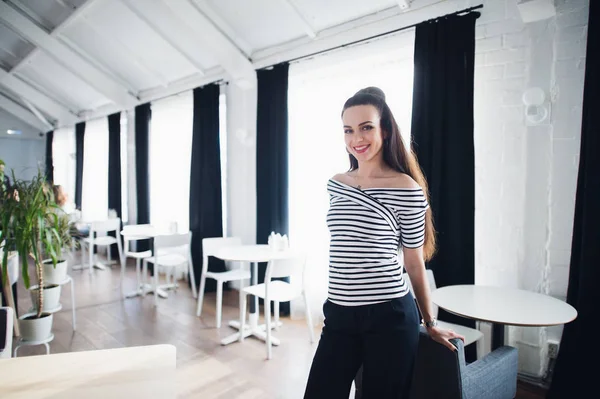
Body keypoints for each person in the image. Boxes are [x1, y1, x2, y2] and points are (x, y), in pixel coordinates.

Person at [303, 87, 465, 399]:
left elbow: (414, 263)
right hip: (338, 313)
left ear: (385, 130)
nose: (356, 139)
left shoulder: (406, 188)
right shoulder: (337, 183)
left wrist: (429, 322)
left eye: (366, 127)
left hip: (389, 316)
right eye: (348, 130)